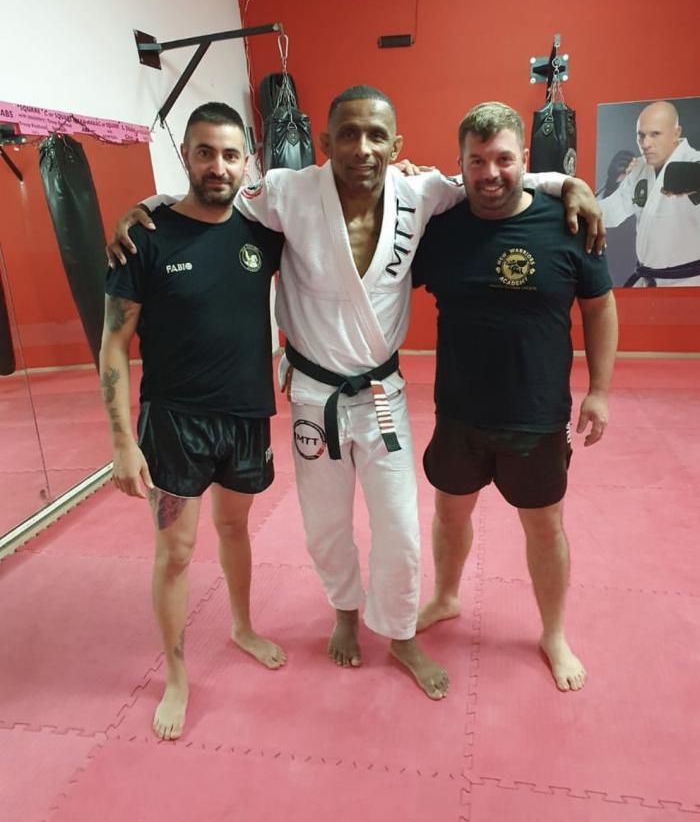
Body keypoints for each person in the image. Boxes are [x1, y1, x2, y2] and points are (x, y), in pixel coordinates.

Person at [110, 85, 604, 700]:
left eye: (376, 136)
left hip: (381, 395)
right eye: (348, 134)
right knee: (324, 526)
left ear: (397, 145)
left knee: (400, 526)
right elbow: (215, 192)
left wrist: (566, 182)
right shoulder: (287, 192)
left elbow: (492, 176)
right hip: (312, 396)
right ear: (324, 142)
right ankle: (345, 611)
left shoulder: (423, 192)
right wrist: (148, 205)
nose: (362, 148)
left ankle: (400, 633)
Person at [413, 101, 618, 692]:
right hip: (458, 412)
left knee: (545, 527)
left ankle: (553, 633)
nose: (490, 173)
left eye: (503, 158)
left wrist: (600, 391)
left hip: (537, 415)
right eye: (477, 161)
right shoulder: (441, 229)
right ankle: (446, 596)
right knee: (450, 513)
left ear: (524, 159)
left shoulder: (568, 222)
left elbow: (599, 308)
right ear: (460, 165)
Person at [99, 102, 286, 742]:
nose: (218, 166)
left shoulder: (261, 235)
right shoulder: (144, 238)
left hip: (247, 417)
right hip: (174, 422)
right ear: (186, 155)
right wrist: (122, 442)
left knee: (235, 529)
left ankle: (242, 627)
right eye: (205, 152)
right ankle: (176, 675)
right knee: (175, 552)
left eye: (230, 154)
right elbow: (113, 346)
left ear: (246, 161)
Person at [599, 100, 700, 286]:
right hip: (647, 280)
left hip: (689, 282)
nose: (646, 144)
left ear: (676, 133)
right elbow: (611, 213)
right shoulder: (639, 168)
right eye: (641, 136)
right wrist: (611, 184)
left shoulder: (695, 164)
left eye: (655, 134)